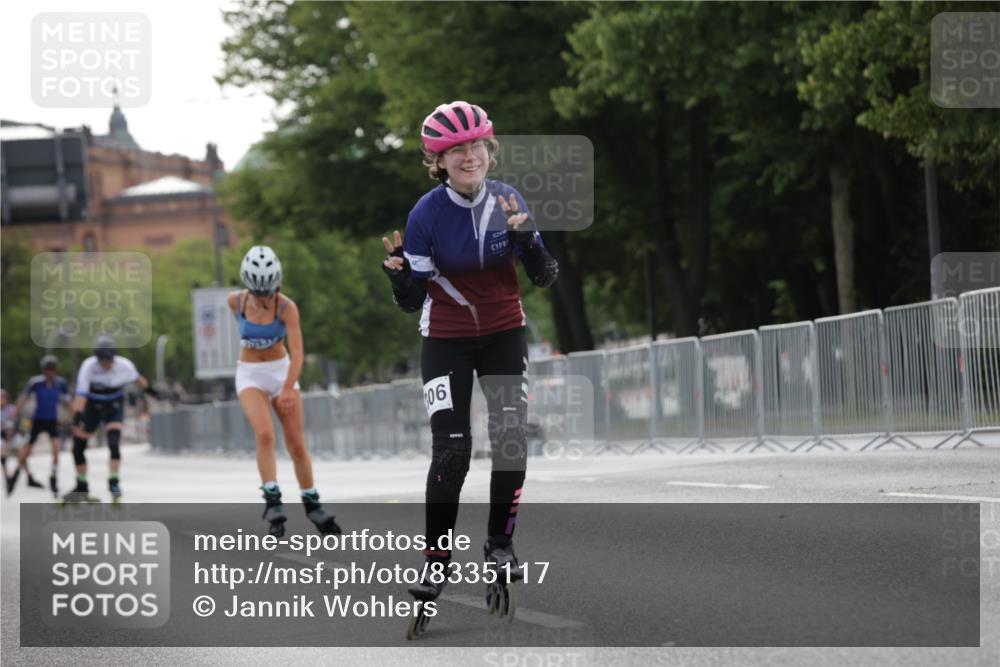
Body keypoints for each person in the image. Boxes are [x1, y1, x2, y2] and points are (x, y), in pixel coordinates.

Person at [381, 101, 559, 608]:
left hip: (504, 333)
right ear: (437, 161)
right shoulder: (426, 215)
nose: (469, 156)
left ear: (489, 150)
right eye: (455, 150)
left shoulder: (509, 200)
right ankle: (436, 563)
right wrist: (398, 281)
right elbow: (413, 300)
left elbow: (545, 276)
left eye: (476, 146)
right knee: (453, 450)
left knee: (509, 441)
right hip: (447, 340)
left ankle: (500, 545)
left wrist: (528, 244)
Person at [229, 245, 341, 537]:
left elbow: (299, 351)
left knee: (296, 444)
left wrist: (289, 387)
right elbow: (246, 335)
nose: (265, 297)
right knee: (265, 434)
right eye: (259, 292)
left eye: (270, 291)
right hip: (250, 373)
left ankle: (312, 502)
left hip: (282, 370)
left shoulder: (287, 307)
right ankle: (273, 500)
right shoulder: (235, 302)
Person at [64, 336, 154, 503]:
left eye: (109, 361)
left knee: (113, 443)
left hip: (113, 405)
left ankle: (114, 483)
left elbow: (140, 380)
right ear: (97, 359)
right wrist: (77, 416)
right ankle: (81, 487)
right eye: (102, 361)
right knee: (78, 447)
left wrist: (151, 391)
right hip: (92, 405)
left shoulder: (124, 365)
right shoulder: (88, 367)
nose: (106, 364)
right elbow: (81, 395)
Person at [8, 355, 71, 496]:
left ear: (56, 370)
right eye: (47, 370)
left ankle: (53, 476)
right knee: (27, 450)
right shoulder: (35, 383)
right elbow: (23, 399)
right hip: (38, 419)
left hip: (52, 420)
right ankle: (17, 473)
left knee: (56, 448)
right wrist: (14, 416)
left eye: (52, 369)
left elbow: (67, 402)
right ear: (43, 370)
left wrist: (74, 417)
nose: (50, 372)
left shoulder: (60, 384)